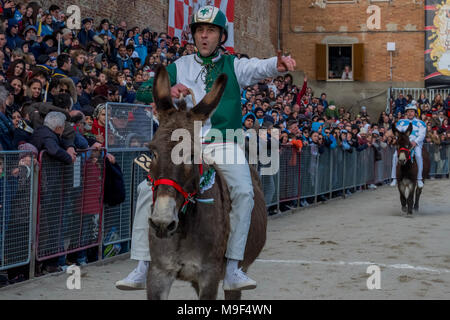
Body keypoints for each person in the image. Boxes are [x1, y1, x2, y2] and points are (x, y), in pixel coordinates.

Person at [116, 5, 296, 291]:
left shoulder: (235, 66)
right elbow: (142, 88)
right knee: (143, 190)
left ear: (221, 36)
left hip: (225, 142)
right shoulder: (181, 65)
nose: (204, 36)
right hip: (187, 143)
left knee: (244, 190)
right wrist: (170, 89)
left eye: (210, 31)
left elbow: (260, 68)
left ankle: (234, 266)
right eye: (200, 30)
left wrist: (278, 65)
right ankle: (142, 264)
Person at [390, 103, 426, 188]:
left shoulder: (421, 123)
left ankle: (419, 178)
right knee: (395, 156)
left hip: (416, 144)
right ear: (406, 113)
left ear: (415, 113)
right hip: (404, 145)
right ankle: (394, 178)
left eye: (412, 111)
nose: (410, 113)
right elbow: (398, 134)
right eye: (408, 111)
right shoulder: (401, 122)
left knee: (418, 155)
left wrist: (415, 142)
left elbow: (422, 135)